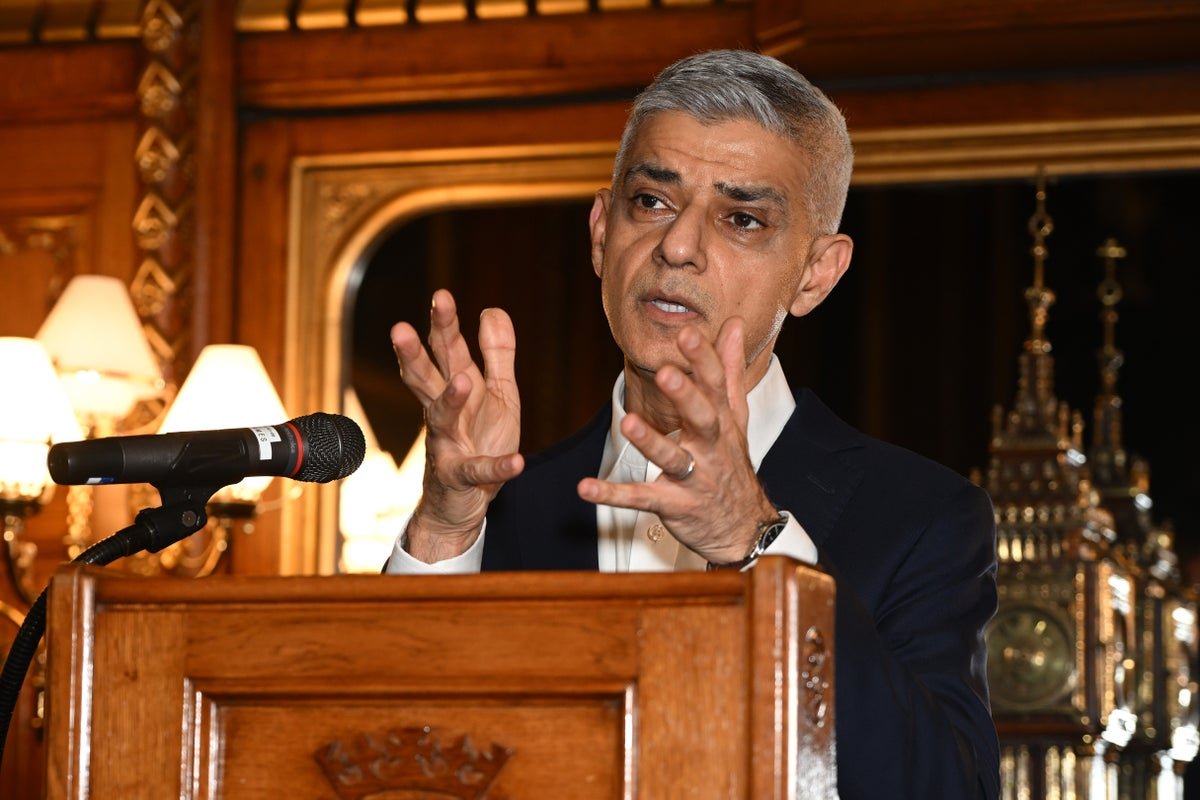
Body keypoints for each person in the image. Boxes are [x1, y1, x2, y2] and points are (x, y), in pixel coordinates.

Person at [384, 48, 1000, 799]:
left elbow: (943, 789)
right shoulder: (504, 509)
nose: (677, 246)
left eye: (741, 219)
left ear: (816, 274)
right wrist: (444, 532)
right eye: (651, 202)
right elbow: (396, 764)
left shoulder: (923, 518)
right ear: (601, 233)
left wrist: (756, 544)